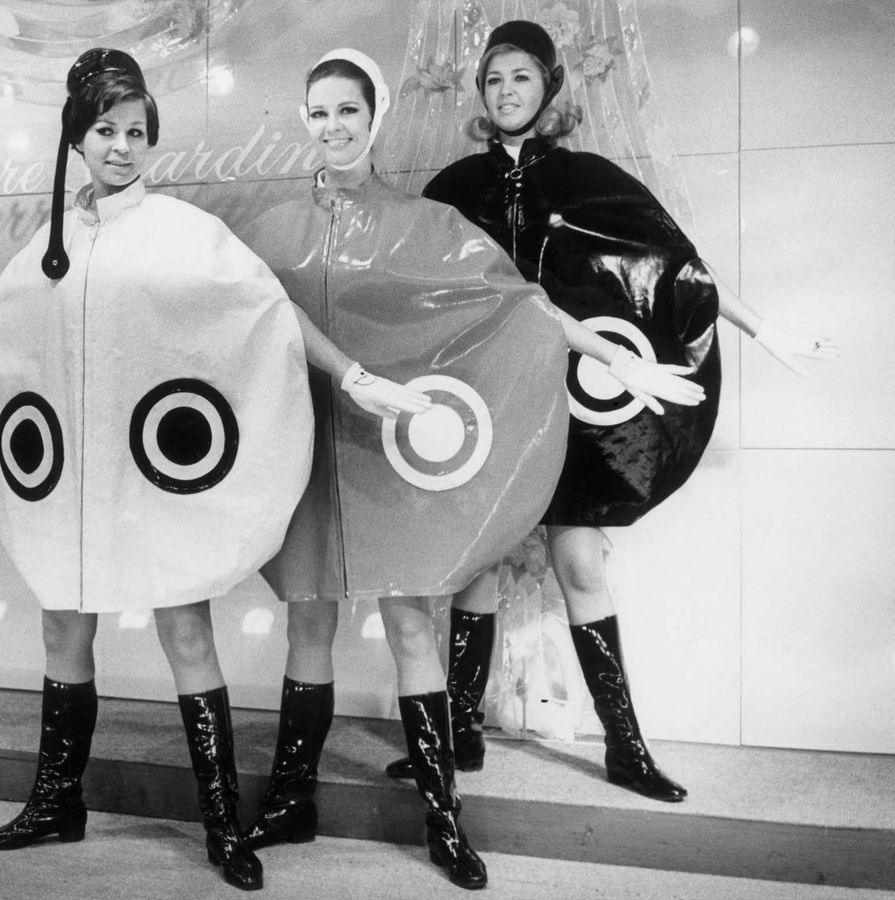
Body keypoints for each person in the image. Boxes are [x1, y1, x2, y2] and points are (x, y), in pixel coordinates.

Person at [0, 47, 402, 892]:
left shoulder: (183, 233)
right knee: (63, 629)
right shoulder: (47, 245)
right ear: (76, 140)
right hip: (73, 488)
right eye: (105, 131)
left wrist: (350, 375)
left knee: (184, 631)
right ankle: (56, 802)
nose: (121, 147)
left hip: (147, 480)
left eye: (135, 131)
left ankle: (221, 824)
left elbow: (269, 310)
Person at [235, 48, 705, 890]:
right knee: (308, 625)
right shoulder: (268, 231)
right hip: (308, 452)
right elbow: (238, 312)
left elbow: (522, 307)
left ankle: (442, 817)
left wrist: (615, 356)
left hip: (392, 457)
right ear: (305, 119)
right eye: (320, 112)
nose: (334, 126)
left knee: (411, 626)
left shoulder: (427, 225)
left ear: (375, 114)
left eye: (348, 110)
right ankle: (290, 797)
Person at [383, 20, 839, 802]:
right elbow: (407, 287)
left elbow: (680, 268)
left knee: (580, 562)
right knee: (477, 565)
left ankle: (625, 748)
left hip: (576, 401)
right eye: (492, 79)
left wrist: (763, 330)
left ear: (549, 85)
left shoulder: (590, 178)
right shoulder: (453, 188)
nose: (505, 91)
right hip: (487, 400)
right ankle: (458, 733)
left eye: (520, 76)